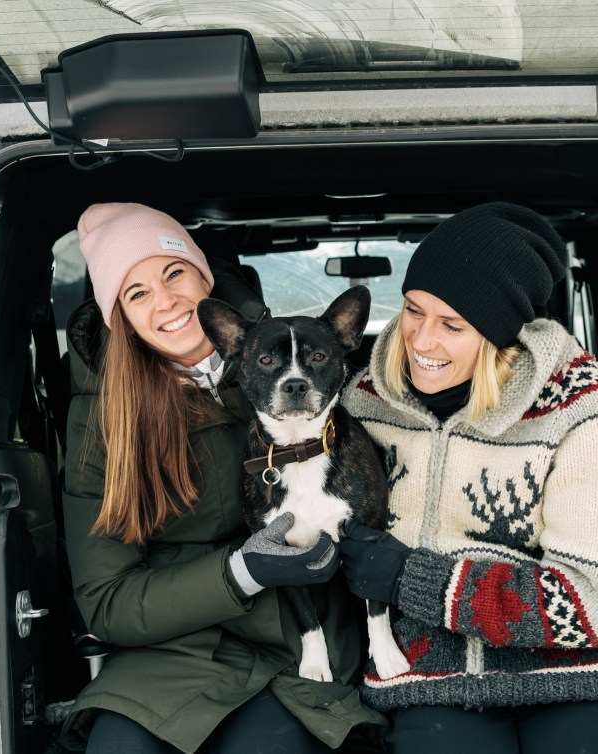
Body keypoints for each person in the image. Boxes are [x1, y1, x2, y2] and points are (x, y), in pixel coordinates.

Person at [59, 202, 386, 754]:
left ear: (204, 278)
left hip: (295, 644)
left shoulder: (293, 362)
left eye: (173, 273)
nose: (165, 302)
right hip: (165, 655)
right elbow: (107, 602)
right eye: (136, 293)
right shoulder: (101, 417)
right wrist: (239, 572)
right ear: (119, 315)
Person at [338, 202, 598, 753]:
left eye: (452, 324)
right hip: (425, 679)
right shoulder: (363, 403)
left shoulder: (580, 405)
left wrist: (413, 578)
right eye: (413, 310)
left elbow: (591, 604)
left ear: (499, 335)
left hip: (571, 677)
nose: (421, 340)